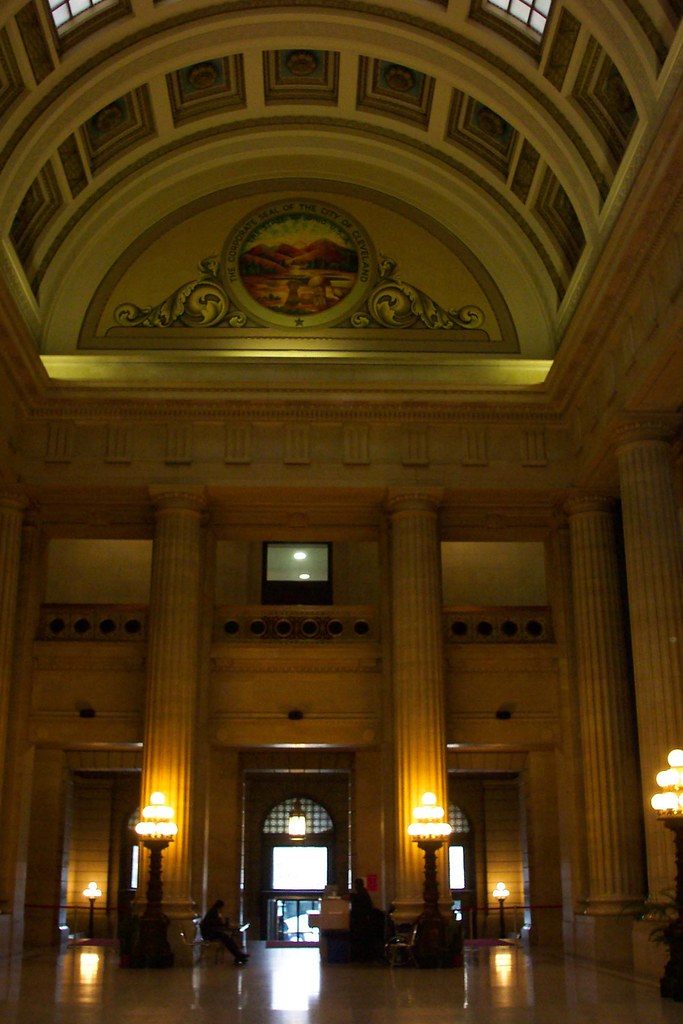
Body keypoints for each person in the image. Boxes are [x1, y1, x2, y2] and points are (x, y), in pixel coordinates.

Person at [199, 899, 249, 965]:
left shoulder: (213, 911)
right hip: (208, 934)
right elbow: (217, 923)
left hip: (209, 933)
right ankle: (238, 954)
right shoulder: (213, 912)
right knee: (226, 938)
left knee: (227, 938)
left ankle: (238, 954)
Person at [347, 877, 374, 961]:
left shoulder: (359, 895)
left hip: (359, 921)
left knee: (359, 939)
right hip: (364, 920)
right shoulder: (364, 893)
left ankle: (358, 957)